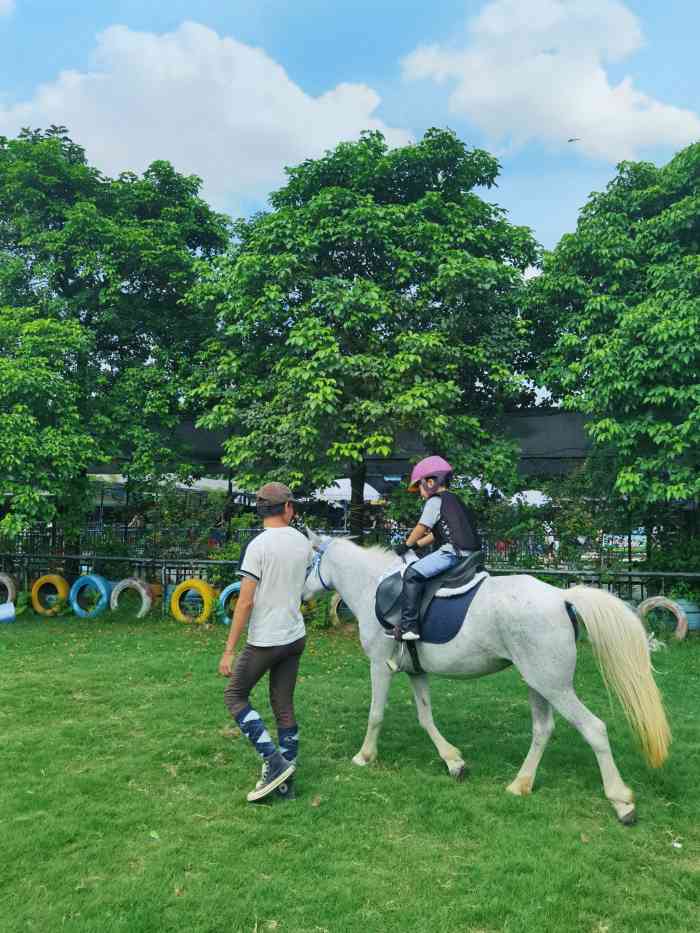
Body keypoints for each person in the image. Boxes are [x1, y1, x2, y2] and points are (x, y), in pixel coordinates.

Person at [218, 482, 313, 802]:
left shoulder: (257, 546)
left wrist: (229, 650)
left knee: (234, 695)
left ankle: (274, 763)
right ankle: (287, 783)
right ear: (286, 508)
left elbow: (244, 603)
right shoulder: (303, 543)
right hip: (294, 635)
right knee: (283, 705)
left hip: (266, 640)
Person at [394, 456, 482, 641]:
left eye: (419, 486)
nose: (419, 492)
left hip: (452, 553)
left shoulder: (435, 501)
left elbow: (422, 527)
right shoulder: (455, 500)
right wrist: (417, 545)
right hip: (471, 553)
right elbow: (435, 534)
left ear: (431, 482)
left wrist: (406, 545)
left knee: (411, 574)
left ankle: (409, 627)